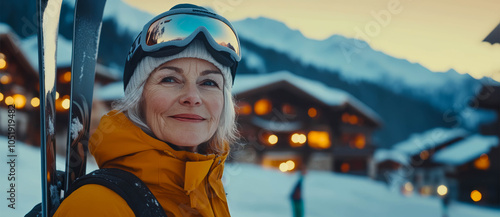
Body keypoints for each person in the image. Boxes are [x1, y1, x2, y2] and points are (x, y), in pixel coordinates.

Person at [53, 3, 241, 216]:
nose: (193, 97)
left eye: (209, 83)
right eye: (170, 79)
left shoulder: (210, 194)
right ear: (138, 98)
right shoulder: (96, 205)